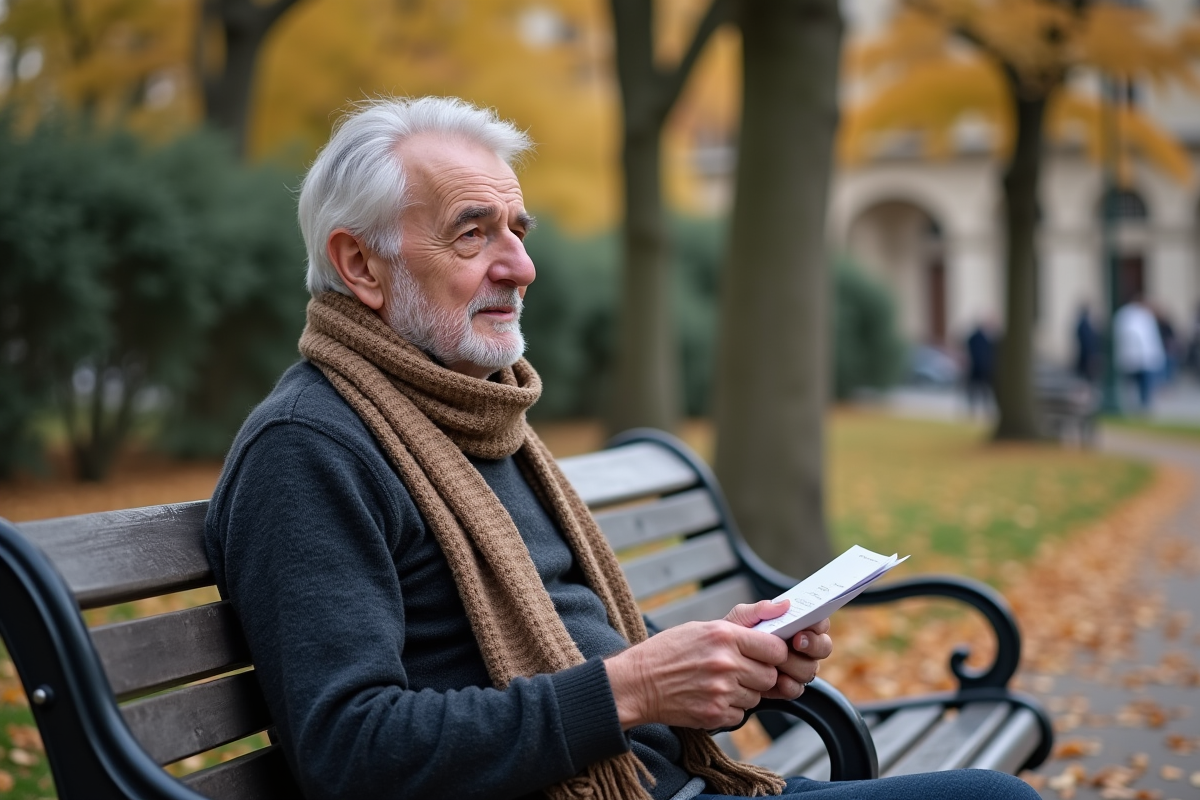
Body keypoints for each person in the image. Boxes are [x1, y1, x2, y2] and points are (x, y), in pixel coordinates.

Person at [205, 97, 1038, 800]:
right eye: (473, 234)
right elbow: (347, 750)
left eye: (518, 229)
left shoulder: (477, 417)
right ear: (362, 264)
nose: (521, 266)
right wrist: (635, 688)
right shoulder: (309, 449)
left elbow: (582, 656)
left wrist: (720, 660)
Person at [1112, 293, 1166, 410]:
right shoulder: (1137, 316)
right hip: (1138, 357)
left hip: (1139, 357)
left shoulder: (1131, 315)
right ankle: (1141, 404)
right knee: (1139, 385)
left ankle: (1142, 404)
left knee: (1139, 386)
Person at [964, 321, 995, 417]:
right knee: (981, 391)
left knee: (977, 391)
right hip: (980, 368)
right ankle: (979, 410)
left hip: (977, 368)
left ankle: (974, 410)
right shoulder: (983, 339)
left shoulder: (975, 338)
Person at [1074, 304, 1099, 383]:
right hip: (1086, 355)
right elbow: (1087, 341)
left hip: (1085, 355)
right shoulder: (1084, 324)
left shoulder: (1083, 323)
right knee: (1086, 378)